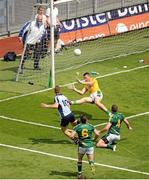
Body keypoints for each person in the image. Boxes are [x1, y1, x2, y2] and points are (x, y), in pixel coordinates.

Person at [70, 115, 99, 179]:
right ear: (87, 120)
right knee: (90, 160)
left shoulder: (77, 126)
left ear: (80, 120)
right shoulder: (91, 126)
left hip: (81, 146)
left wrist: (75, 140)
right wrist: (94, 139)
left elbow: (71, 136)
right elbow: (97, 134)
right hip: (90, 145)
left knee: (80, 159)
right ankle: (92, 166)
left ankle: (79, 173)